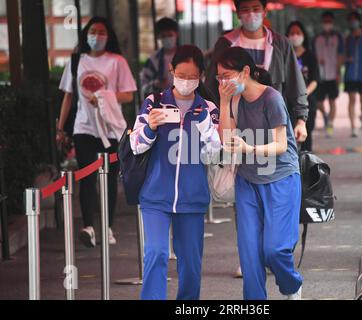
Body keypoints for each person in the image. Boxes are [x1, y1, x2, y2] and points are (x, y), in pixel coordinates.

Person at [130, 45, 221, 300]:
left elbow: (216, 155)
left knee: (191, 264)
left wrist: (206, 128)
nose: (186, 82)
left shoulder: (209, 109)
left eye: (193, 77)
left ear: (202, 75)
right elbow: (135, 146)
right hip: (155, 196)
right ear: (171, 71)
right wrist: (150, 127)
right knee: (156, 253)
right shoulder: (154, 102)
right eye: (182, 75)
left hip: (193, 198)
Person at [217, 47, 303, 300]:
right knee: (249, 253)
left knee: (275, 250)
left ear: (245, 71)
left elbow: (281, 145)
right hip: (248, 181)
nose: (222, 82)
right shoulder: (233, 100)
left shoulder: (272, 98)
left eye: (226, 75)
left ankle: (292, 285)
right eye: (218, 77)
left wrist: (248, 147)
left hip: (281, 179)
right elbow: (226, 138)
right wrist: (223, 102)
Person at [57, 17, 137, 248]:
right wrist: (61, 127)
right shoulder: (77, 61)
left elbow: (128, 94)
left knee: (110, 178)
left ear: (108, 36)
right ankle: (89, 227)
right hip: (84, 127)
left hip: (111, 129)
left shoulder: (117, 61)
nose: (97, 36)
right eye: (93, 31)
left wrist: (103, 97)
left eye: (101, 32)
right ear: (86, 34)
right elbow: (68, 96)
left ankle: (108, 227)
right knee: (87, 176)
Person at [206, 0, 309, 143]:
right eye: (245, 9)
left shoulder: (280, 43)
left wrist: (301, 120)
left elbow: (295, 82)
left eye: (255, 8)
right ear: (238, 13)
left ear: (264, 11)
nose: (251, 14)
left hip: (274, 125)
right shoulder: (225, 44)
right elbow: (211, 86)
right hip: (237, 128)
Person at [287, 21, 320, 152]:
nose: (295, 36)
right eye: (292, 33)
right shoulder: (285, 56)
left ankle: (306, 163)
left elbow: (315, 80)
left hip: (307, 103)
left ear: (303, 35)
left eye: (298, 33)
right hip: (288, 103)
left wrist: (303, 94)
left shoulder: (310, 56)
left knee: (306, 135)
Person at [313, 11, 344, 138]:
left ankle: (330, 126)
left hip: (332, 74)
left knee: (332, 101)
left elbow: (340, 56)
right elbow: (313, 56)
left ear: (332, 22)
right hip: (320, 75)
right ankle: (325, 115)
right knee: (318, 102)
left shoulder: (338, 37)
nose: (327, 23)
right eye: (325, 21)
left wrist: (338, 72)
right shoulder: (316, 38)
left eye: (329, 21)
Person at [140, 17, 179, 99]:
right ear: (159, 37)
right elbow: (143, 86)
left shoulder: (186, 56)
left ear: (177, 34)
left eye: (170, 35)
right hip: (162, 104)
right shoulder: (153, 60)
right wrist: (156, 85)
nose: (167, 39)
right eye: (164, 36)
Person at [344, 11, 362, 138]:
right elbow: (342, 55)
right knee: (352, 99)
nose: (353, 22)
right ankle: (353, 127)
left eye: (354, 19)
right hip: (351, 73)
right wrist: (347, 60)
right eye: (350, 20)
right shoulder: (348, 39)